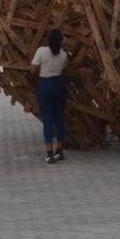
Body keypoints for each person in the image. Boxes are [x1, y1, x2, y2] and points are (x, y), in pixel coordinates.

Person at [30, 29, 69, 164]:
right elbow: (64, 68)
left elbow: (33, 69)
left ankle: (49, 154)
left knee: (47, 120)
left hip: (45, 85)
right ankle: (60, 151)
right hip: (59, 84)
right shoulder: (63, 54)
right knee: (59, 119)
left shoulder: (41, 51)